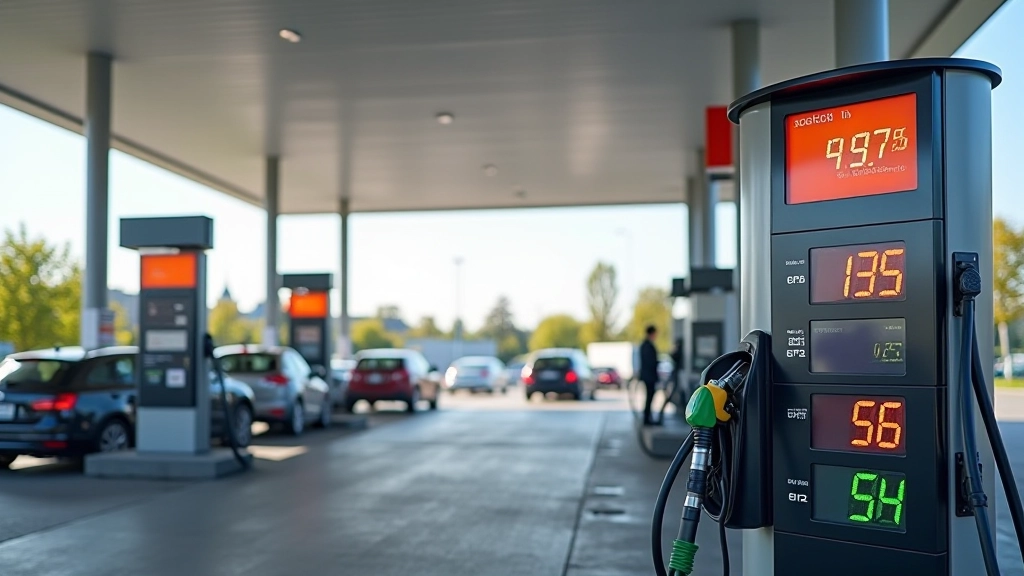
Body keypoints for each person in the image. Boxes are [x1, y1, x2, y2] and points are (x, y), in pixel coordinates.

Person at [639, 324, 660, 426]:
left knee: (650, 396)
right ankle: (647, 418)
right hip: (649, 376)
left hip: (648, 376)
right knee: (649, 396)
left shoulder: (644, 345)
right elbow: (650, 362)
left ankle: (648, 417)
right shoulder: (648, 346)